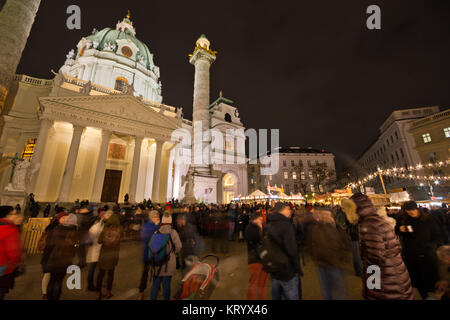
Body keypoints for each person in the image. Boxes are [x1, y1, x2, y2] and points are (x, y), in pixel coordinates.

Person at [341, 194, 414, 300]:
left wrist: (371, 288)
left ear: (355, 209)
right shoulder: (380, 220)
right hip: (396, 275)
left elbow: (374, 260)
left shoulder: (368, 225)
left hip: (386, 282)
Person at [395, 201, 444, 299]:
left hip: (427, 255)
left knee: (433, 280)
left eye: (413, 210)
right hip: (411, 255)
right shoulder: (404, 219)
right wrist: (400, 229)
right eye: (408, 211)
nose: (411, 212)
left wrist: (432, 247)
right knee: (418, 281)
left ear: (417, 209)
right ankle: (425, 297)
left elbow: (438, 236)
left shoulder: (428, 219)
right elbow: (396, 230)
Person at [304, 208, 351, 300]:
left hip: (335, 265)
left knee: (339, 291)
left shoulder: (338, 228)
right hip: (321, 265)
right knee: (326, 290)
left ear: (332, 216)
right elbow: (310, 244)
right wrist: (315, 257)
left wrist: (343, 259)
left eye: (328, 215)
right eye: (324, 215)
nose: (326, 217)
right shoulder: (315, 228)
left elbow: (346, 244)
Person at [266, 202, 301, 300]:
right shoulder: (286, 225)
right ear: (281, 210)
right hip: (287, 270)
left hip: (274, 269)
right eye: (288, 209)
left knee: (276, 295)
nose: (290, 211)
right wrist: (297, 269)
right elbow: (292, 249)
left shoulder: (270, 223)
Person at [44, 213, 80, 300]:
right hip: (65, 259)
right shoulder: (74, 232)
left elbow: (50, 244)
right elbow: (75, 247)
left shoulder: (57, 229)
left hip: (53, 258)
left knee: (52, 280)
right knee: (58, 281)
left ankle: (49, 298)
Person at [149, 213, 181, 300]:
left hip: (157, 263)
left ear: (162, 222)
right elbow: (179, 246)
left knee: (155, 284)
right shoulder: (173, 232)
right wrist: (174, 253)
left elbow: (152, 248)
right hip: (169, 263)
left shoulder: (156, 232)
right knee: (166, 285)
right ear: (171, 222)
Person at [0, 206, 24, 300]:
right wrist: (17, 264)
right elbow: (14, 253)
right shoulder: (10, 230)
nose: (16, 216)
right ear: (6, 216)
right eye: (14, 214)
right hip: (3, 266)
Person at [96, 211, 121, 299]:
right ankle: (108, 292)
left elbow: (99, 241)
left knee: (101, 274)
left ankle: (98, 293)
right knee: (110, 274)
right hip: (113, 255)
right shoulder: (119, 229)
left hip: (104, 254)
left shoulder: (106, 228)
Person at [245, 211, 268, 300]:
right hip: (254, 259)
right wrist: (260, 230)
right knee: (254, 283)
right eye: (260, 219)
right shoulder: (250, 229)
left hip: (263, 259)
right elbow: (254, 242)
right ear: (254, 219)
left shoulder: (262, 228)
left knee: (262, 283)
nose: (261, 221)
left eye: (262, 220)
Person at [138, 210, 161, 300]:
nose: (158, 218)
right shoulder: (149, 226)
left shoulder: (155, 226)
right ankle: (142, 291)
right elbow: (147, 239)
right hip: (149, 254)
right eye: (156, 217)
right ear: (152, 218)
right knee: (147, 274)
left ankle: (157, 289)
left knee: (155, 273)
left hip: (153, 254)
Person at [40, 214, 62, 299]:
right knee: (48, 274)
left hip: (54, 256)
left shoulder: (53, 229)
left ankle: (48, 292)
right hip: (50, 256)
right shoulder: (53, 231)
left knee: (51, 275)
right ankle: (45, 293)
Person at [86, 210, 107, 291]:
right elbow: (90, 238)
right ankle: (91, 284)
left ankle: (97, 283)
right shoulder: (97, 226)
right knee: (94, 268)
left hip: (98, 249)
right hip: (96, 249)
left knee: (97, 267)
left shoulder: (99, 225)